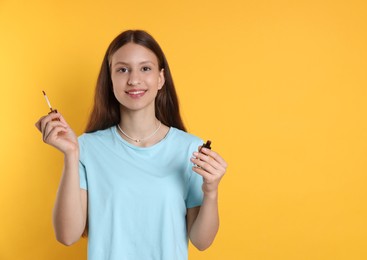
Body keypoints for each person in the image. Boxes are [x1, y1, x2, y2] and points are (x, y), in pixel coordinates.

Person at [35, 30, 227, 260]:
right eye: (122, 69)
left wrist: (211, 191)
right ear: (111, 79)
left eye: (145, 68)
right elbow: (67, 236)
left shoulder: (190, 150)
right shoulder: (86, 148)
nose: (134, 79)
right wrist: (71, 154)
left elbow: (202, 241)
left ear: (160, 78)